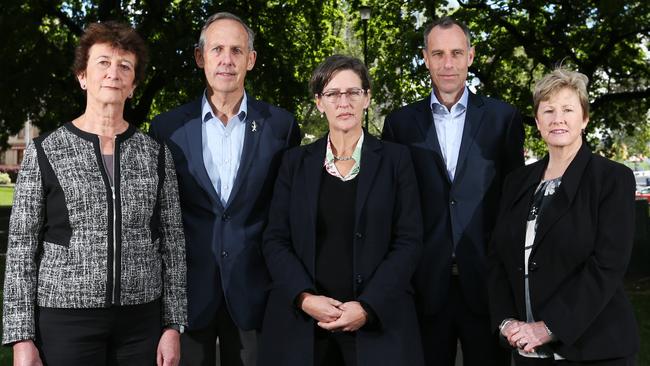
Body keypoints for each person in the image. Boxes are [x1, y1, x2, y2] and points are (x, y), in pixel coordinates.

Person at [2, 21, 187, 366]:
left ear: (133, 85)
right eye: (103, 62)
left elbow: (173, 244)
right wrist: (21, 338)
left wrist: (173, 325)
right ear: (82, 76)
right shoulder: (45, 151)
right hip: (65, 318)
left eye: (125, 66)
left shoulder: (156, 154)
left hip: (141, 321)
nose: (113, 73)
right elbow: (20, 249)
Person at [149, 12, 300, 366]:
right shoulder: (167, 128)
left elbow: (288, 213)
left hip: (257, 295)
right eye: (217, 49)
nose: (227, 60)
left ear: (251, 59)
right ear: (201, 58)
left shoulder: (281, 125)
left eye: (237, 50)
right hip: (188, 297)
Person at [259, 55, 424, 366]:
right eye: (333, 94)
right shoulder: (294, 163)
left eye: (353, 93)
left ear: (367, 98)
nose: (343, 102)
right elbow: (275, 239)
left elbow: (409, 241)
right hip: (305, 325)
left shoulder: (396, 160)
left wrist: (368, 306)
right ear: (320, 102)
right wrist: (305, 298)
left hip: (377, 323)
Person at [381, 16, 525, 366]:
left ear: (471, 56)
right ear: (425, 58)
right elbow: (393, 206)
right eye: (439, 54)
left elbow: (514, 203)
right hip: (423, 286)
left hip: (486, 285)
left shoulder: (502, 118)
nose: (448, 64)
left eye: (457, 53)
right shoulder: (399, 124)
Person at [488, 68, 639, 365]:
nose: (558, 118)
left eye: (568, 109)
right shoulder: (516, 182)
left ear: (584, 118)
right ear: (538, 121)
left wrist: (547, 328)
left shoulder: (612, 179)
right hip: (528, 352)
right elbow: (497, 258)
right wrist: (506, 323)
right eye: (548, 110)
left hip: (595, 351)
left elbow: (607, 265)